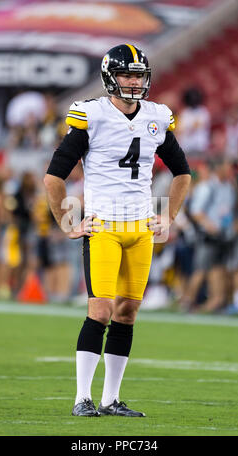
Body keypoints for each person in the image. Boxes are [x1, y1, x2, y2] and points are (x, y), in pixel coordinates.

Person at [44, 44, 191, 417]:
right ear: (111, 76)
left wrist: (168, 216)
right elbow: (54, 177)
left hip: (141, 228)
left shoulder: (156, 117)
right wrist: (67, 222)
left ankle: (110, 399)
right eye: (127, 74)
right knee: (101, 309)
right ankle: (82, 398)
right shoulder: (91, 115)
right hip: (104, 227)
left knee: (126, 313)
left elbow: (183, 173)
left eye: (139, 75)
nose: (133, 81)